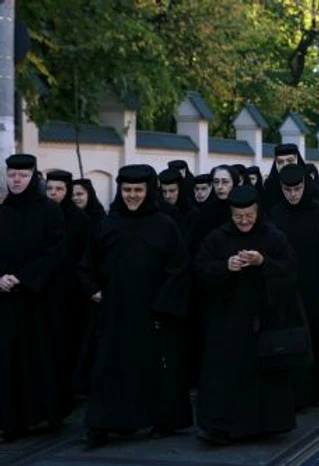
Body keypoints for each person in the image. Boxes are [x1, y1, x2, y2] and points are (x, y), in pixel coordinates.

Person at [79, 165, 191, 448]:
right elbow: (86, 264)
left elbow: (179, 269)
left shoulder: (164, 225)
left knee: (151, 368)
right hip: (114, 311)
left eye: (138, 190)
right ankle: (101, 424)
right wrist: (93, 291)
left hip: (151, 312)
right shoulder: (107, 223)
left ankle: (157, 420)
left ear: (149, 191)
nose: (132, 196)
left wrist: (162, 304)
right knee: (108, 369)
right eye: (127, 190)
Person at [195, 185, 301, 444]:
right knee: (225, 376)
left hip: (264, 319)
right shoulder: (216, 238)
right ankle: (222, 428)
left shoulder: (273, 237)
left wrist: (263, 263)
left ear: (258, 212)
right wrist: (225, 266)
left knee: (264, 378)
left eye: (249, 216)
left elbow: (291, 271)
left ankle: (265, 425)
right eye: (238, 217)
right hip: (227, 320)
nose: (244, 221)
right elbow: (199, 271)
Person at [271, 164, 319, 408]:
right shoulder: (275, 214)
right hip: (285, 288)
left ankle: (316, 391)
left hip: (315, 286)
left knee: (316, 338)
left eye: (297, 188)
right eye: (287, 189)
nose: (293, 194)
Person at [0, 154, 66, 442]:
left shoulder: (50, 211)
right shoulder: (1, 212)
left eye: (22, 176)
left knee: (37, 356)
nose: (16, 180)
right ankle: (10, 420)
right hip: (4, 300)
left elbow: (55, 252)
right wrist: (1, 277)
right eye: (11, 175)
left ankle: (42, 414)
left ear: (33, 178)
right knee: (7, 360)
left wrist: (24, 279)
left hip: (38, 300)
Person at [45, 170, 93, 411]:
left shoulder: (79, 220)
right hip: (44, 288)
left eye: (59, 189)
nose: (54, 194)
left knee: (70, 341)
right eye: (50, 189)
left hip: (73, 292)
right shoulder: (41, 215)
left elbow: (85, 256)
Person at [159, 168, 199, 247]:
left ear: (180, 190)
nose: (167, 196)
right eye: (164, 191)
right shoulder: (157, 211)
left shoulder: (192, 213)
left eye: (172, 191)